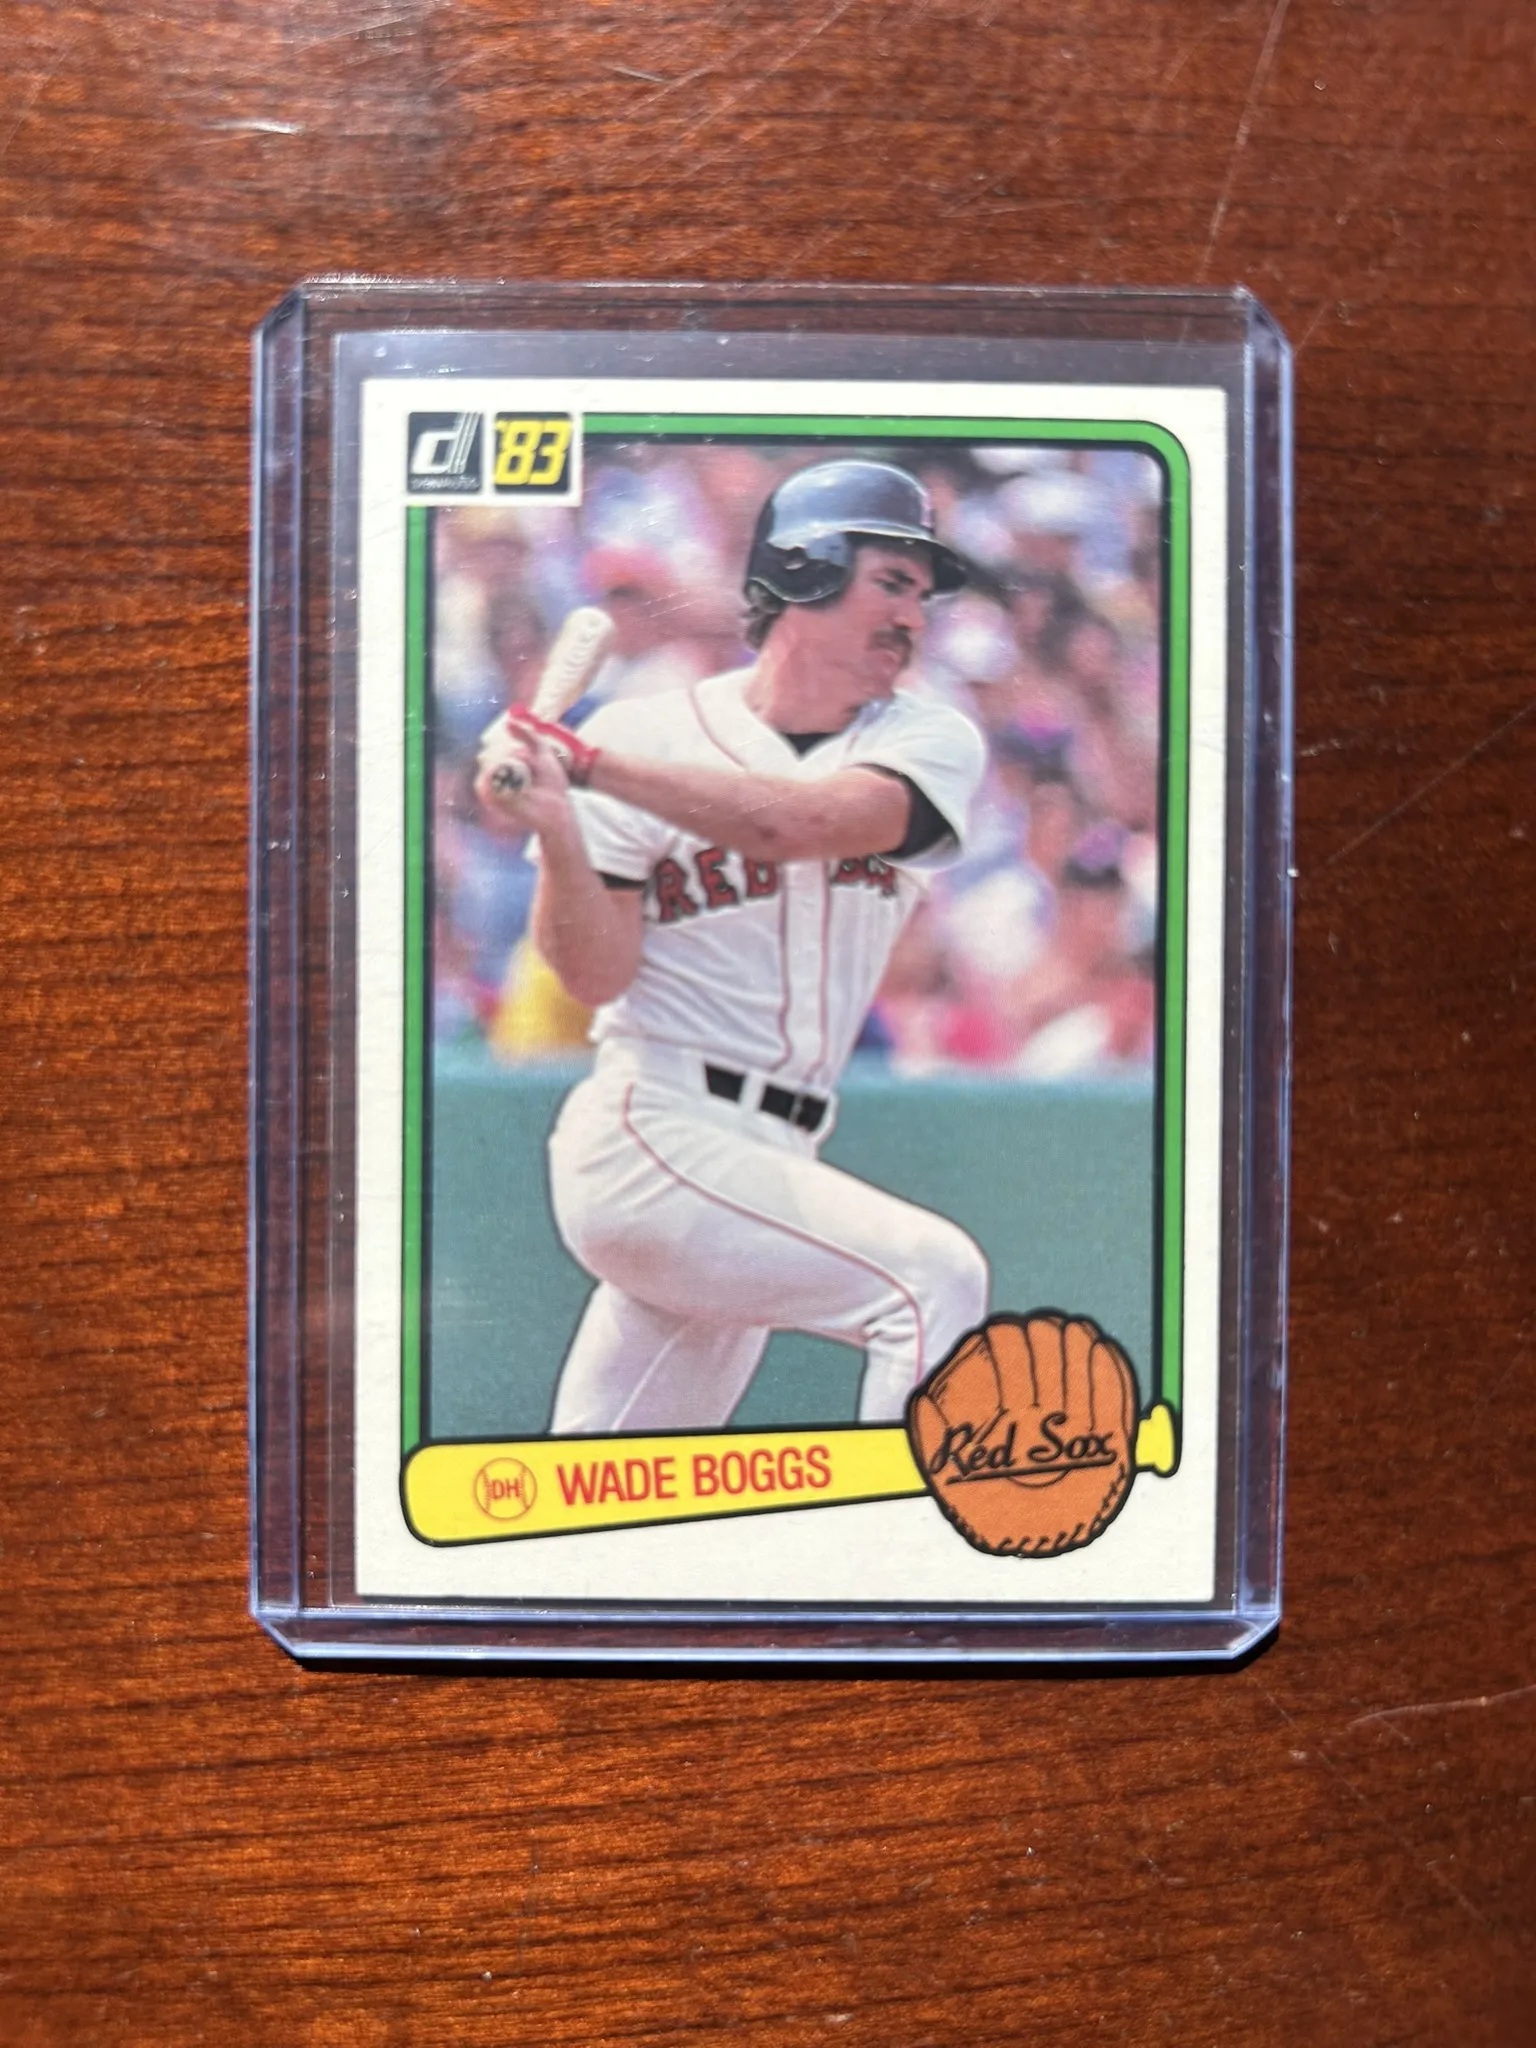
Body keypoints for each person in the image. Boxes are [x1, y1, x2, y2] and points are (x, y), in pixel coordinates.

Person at [476, 459, 992, 1433]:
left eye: (922, 596)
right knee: (932, 1279)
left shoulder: (930, 740)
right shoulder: (650, 729)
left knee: (607, 1493)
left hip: (770, 1159)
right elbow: (593, 971)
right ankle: (897, 1535)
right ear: (804, 572)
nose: (913, 617)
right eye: (892, 583)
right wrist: (557, 827)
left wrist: (586, 764)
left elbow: (792, 823)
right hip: (655, 1130)